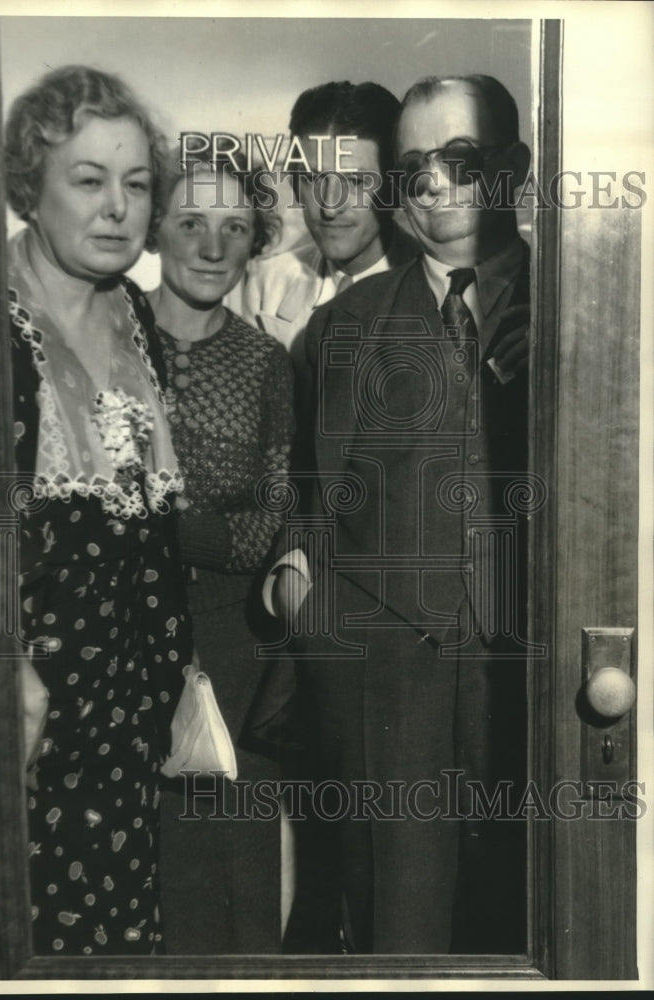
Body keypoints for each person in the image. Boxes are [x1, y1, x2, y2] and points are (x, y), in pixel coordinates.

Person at [266, 74, 533, 954]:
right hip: (385, 691)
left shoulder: (583, 307)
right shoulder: (339, 330)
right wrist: (305, 605)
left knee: (542, 923)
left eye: (458, 160)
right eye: (413, 167)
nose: (432, 186)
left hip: (529, 678)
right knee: (397, 936)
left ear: (511, 169)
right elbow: (309, 495)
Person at [6, 65, 194, 957]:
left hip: (125, 719)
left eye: (136, 183)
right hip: (25, 717)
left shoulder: (134, 321)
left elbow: (135, 516)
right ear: (28, 191)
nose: (117, 207)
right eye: (87, 180)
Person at [146, 154, 294, 954]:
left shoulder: (266, 363)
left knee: (231, 891)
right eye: (192, 222)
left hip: (231, 651)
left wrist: (160, 528)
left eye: (234, 226)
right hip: (118, 638)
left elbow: (269, 524)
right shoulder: (100, 338)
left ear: (255, 241)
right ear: (155, 229)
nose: (212, 245)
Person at [242, 80, 419, 358]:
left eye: (356, 181)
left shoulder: (441, 288)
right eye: (313, 179)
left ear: (394, 188)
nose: (330, 207)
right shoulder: (267, 282)